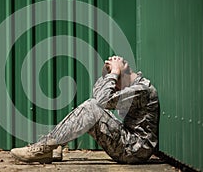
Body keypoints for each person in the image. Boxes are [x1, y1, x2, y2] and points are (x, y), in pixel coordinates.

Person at [11, 56, 160, 164]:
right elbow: (98, 94)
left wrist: (114, 72)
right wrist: (111, 74)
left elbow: (101, 100)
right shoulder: (132, 86)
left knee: (91, 107)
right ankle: (51, 147)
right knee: (91, 108)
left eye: (114, 83)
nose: (114, 87)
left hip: (134, 150)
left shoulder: (142, 90)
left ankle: (44, 148)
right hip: (129, 142)